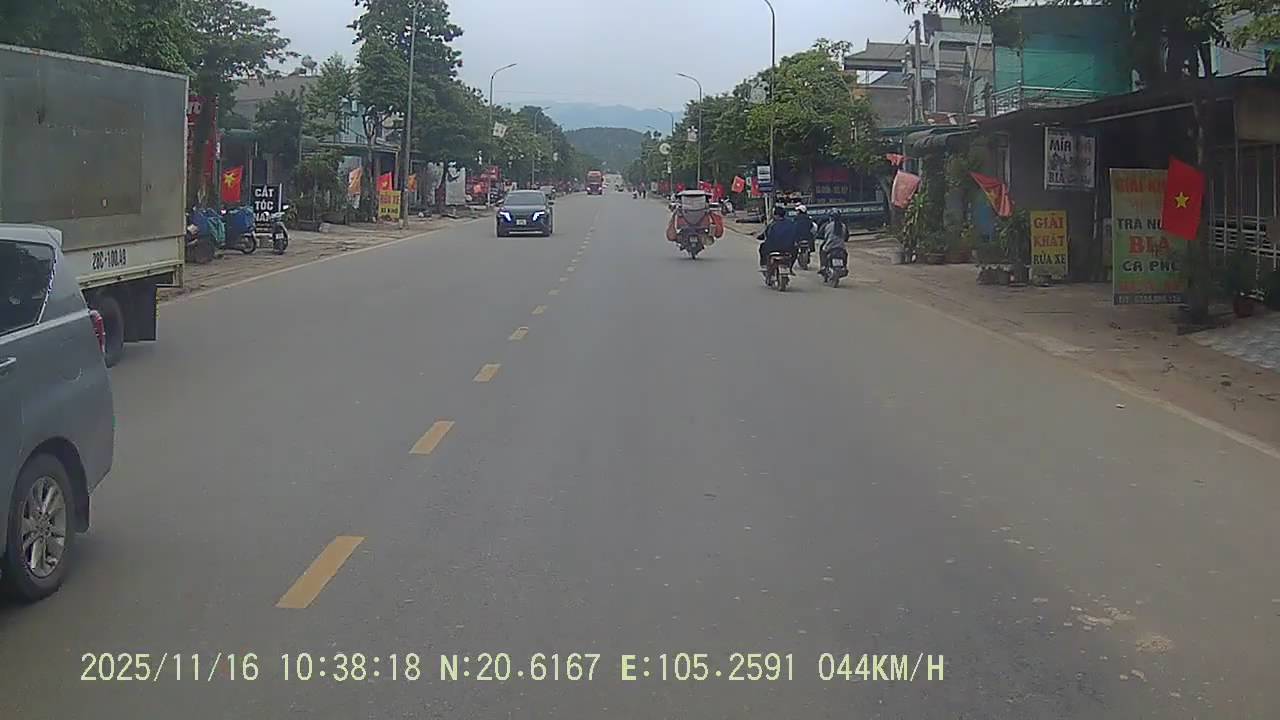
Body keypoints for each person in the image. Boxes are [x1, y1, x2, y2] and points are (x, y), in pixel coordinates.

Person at [757, 204, 796, 268]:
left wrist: (760, 237)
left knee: (762, 247)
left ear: (776, 215)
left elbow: (766, 234)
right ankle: (790, 266)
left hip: (773, 248)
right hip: (788, 248)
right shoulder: (791, 223)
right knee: (795, 250)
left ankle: (764, 264)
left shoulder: (772, 224)